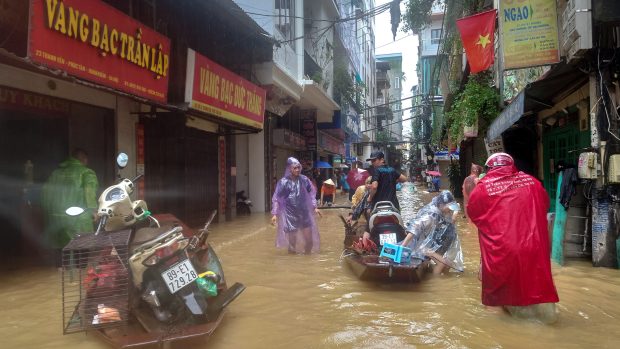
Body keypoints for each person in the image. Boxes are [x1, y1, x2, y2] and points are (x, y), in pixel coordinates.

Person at [467, 152, 559, 323]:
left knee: (496, 299)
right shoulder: (533, 182)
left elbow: (474, 215)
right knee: (537, 287)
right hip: (534, 247)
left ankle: (499, 334)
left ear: (489, 168)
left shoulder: (482, 187)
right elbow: (544, 205)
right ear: (512, 165)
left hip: (501, 251)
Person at [41, 148, 99, 267]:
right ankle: (79, 273)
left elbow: (45, 194)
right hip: (79, 218)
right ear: (84, 159)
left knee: (61, 249)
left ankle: (60, 274)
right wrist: (94, 210)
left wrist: (49, 213)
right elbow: (89, 192)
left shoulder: (55, 173)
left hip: (57, 218)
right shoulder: (86, 173)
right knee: (82, 245)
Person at [400, 190, 463, 274]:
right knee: (442, 263)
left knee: (447, 264)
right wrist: (402, 247)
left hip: (429, 245)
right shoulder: (430, 216)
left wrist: (455, 211)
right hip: (421, 246)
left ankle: (435, 276)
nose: (450, 210)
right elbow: (413, 229)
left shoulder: (441, 211)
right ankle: (435, 283)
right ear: (441, 205)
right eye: (449, 207)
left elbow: (453, 218)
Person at [271, 157, 321, 254]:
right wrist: (275, 214)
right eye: (295, 168)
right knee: (292, 245)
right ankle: (292, 265)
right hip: (291, 215)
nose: (297, 170)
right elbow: (277, 198)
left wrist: (315, 207)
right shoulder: (283, 182)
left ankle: (307, 260)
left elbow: (312, 193)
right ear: (290, 168)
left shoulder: (304, 180)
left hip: (304, 213)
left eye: (299, 167)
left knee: (309, 242)